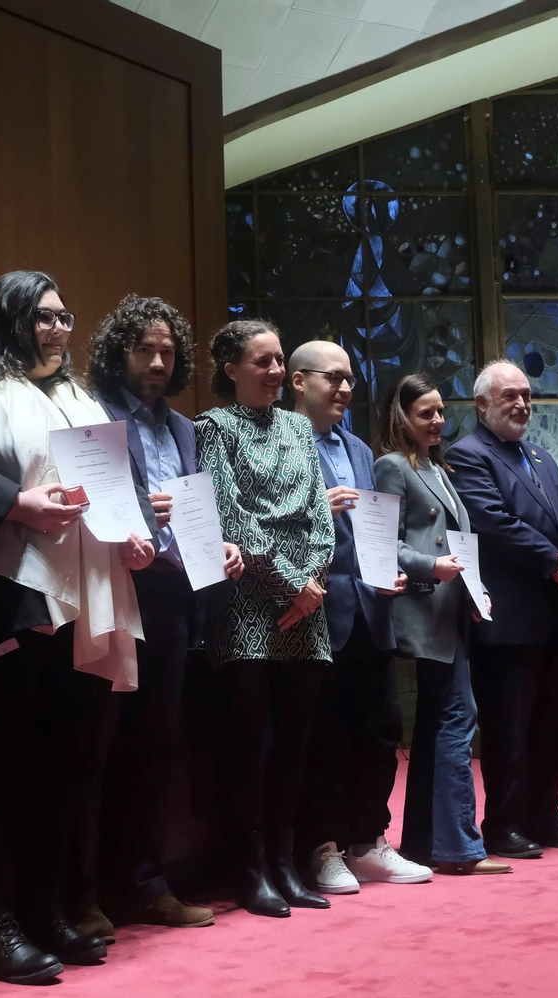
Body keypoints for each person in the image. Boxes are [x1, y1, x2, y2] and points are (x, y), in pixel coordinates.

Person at [0, 271, 157, 981]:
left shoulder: (77, 396)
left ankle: (45, 910)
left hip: (88, 596)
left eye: (65, 318)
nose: (60, 330)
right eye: (44, 318)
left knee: (65, 764)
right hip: (4, 595)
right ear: (7, 317)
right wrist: (17, 502)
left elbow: (112, 486)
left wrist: (135, 533)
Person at [84, 294, 243, 933]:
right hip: (114, 591)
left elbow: (199, 512)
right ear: (118, 353)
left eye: (167, 352)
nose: (156, 361)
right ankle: (84, 889)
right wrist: (146, 516)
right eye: (144, 350)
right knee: (97, 743)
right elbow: (88, 501)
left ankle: (145, 883)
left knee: (155, 743)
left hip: (175, 597)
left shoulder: (185, 429)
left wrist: (221, 546)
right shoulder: (91, 415)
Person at [196, 320, 335, 917]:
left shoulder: (301, 428)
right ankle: (252, 870)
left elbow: (321, 518)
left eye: (281, 361)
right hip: (249, 601)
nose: (278, 372)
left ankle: (285, 862)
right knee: (253, 746)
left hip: (309, 601)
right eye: (264, 362)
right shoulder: (213, 429)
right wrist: (288, 587)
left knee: (295, 746)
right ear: (231, 369)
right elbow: (230, 517)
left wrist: (313, 583)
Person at [286, 341, 430, 894]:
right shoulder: (280, 439)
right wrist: (314, 505)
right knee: (324, 735)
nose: (347, 388)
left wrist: (389, 571)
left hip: (372, 607)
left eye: (351, 379)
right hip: (315, 606)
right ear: (299, 381)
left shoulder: (360, 449)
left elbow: (375, 532)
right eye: (334, 378)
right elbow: (264, 521)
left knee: (380, 730)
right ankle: (321, 847)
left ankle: (370, 841)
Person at [446, 361, 558, 859]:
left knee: (552, 724)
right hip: (508, 615)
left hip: (555, 610)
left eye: (527, 395)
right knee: (508, 724)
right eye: (509, 395)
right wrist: (552, 562)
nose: (521, 404)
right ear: (482, 404)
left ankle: (545, 813)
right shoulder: (468, 455)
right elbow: (491, 522)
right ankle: (506, 822)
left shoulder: (540, 455)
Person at [374, 374, 510, 877]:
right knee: (457, 718)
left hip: (449, 610)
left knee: (437, 725)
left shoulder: (437, 468)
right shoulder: (392, 466)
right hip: (421, 609)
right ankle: (459, 847)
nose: (436, 421)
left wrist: (474, 590)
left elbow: (458, 545)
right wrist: (433, 568)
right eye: (424, 413)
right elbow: (384, 544)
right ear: (400, 417)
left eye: (439, 412)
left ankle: (427, 844)